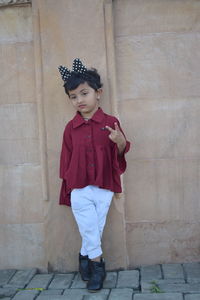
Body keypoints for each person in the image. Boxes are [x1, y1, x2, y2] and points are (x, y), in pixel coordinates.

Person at [58, 58, 130, 292]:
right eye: (73, 96)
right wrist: (67, 187)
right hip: (78, 186)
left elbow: (120, 151)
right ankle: (97, 268)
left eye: (84, 93)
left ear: (98, 93)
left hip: (104, 185)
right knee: (89, 227)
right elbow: (65, 159)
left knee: (94, 228)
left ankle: (83, 256)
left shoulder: (111, 122)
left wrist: (120, 142)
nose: (79, 100)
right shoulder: (71, 127)